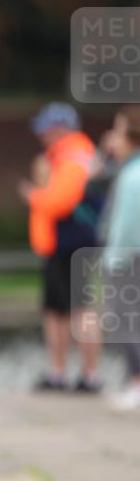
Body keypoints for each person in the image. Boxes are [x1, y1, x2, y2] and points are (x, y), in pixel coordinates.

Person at [18, 102, 102, 393]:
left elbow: (60, 202)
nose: (41, 135)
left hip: (72, 244)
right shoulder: (63, 157)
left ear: (59, 129)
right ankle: (60, 372)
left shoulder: (73, 157)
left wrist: (34, 196)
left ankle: (88, 375)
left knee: (79, 310)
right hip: (63, 245)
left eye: (46, 129)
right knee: (57, 310)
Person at [101, 106, 140, 411]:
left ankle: (136, 382)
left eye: (117, 130)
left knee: (127, 321)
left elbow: (125, 227)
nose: (111, 138)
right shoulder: (127, 170)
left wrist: (113, 259)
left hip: (128, 260)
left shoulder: (132, 176)